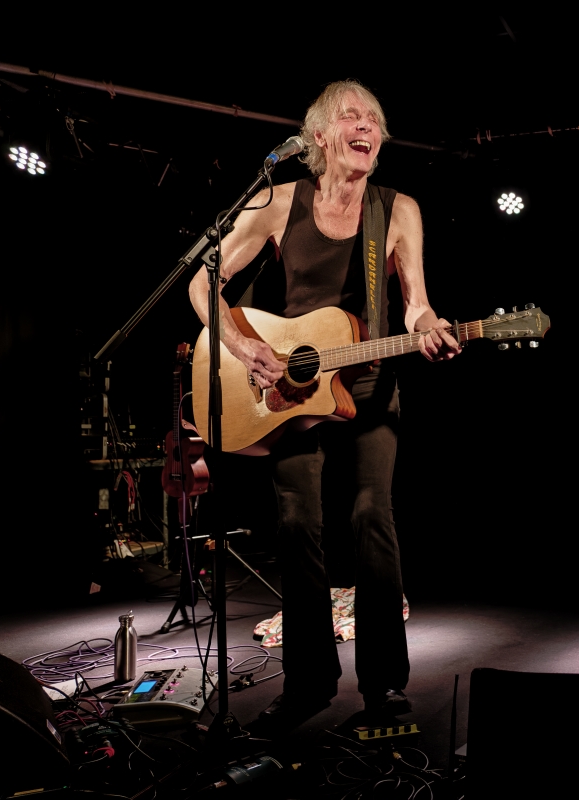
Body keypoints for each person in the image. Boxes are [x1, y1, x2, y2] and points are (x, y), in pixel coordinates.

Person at [188, 80, 460, 723]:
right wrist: (240, 347)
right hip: (288, 387)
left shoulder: (398, 210)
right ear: (318, 137)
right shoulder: (279, 201)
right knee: (297, 526)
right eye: (350, 116)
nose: (366, 125)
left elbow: (416, 303)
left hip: (369, 386)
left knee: (372, 520)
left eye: (374, 118)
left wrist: (428, 327)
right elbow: (204, 279)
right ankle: (308, 682)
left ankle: (384, 685)